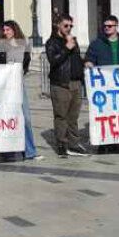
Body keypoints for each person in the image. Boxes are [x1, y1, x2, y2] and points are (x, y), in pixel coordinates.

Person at [0, 20, 44, 162]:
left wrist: (18, 71)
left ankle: (30, 151)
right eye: (4, 30)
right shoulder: (1, 46)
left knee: (26, 118)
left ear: (14, 30)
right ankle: (8, 152)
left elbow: (26, 63)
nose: (5, 32)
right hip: (4, 87)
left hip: (18, 84)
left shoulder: (23, 45)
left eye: (8, 30)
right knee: (7, 118)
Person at [45, 14, 87, 158]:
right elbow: (53, 61)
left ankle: (74, 144)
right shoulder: (52, 42)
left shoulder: (73, 40)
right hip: (61, 83)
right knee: (61, 115)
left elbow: (75, 60)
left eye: (71, 26)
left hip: (76, 82)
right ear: (58, 25)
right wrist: (66, 48)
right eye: (66, 25)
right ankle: (62, 144)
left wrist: (84, 63)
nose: (69, 28)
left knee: (73, 116)